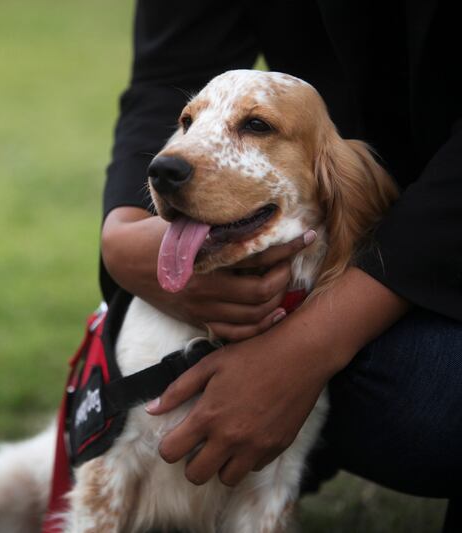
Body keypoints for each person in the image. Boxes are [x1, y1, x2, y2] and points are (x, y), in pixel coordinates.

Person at [99, 1, 462, 530]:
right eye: (187, 123)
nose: (172, 159)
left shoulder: (346, 181)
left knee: (430, 408)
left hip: (417, 265)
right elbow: (169, 71)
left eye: (254, 125)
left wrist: (308, 349)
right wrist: (123, 241)